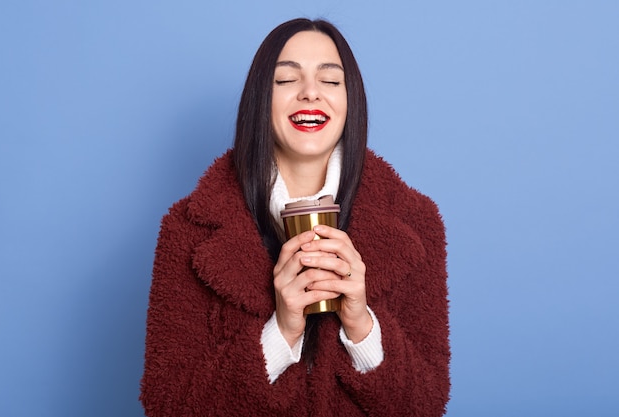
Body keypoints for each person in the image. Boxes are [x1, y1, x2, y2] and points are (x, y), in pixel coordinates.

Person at [140, 18, 450, 417]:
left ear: (350, 101)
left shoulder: (415, 222)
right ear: (259, 100)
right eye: (286, 80)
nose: (310, 93)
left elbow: (426, 405)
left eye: (331, 81)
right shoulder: (188, 229)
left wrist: (361, 324)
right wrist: (281, 331)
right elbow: (167, 406)